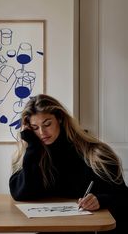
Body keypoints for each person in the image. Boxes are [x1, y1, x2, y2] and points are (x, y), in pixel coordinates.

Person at [9, 94, 128, 233]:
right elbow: (20, 194)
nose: (42, 132)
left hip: (91, 230)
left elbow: (123, 197)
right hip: (51, 229)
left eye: (47, 124)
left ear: (59, 118)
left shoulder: (96, 154)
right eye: (35, 127)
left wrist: (101, 200)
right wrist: (33, 147)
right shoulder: (32, 154)